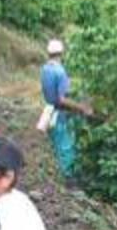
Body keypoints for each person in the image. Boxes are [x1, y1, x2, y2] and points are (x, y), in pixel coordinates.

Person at [40, 38, 93, 180]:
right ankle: (67, 179)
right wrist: (81, 108)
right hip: (60, 114)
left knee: (56, 144)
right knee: (66, 148)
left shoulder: (45, 69)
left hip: (49, 110)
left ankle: (58, 176)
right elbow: (61, 99)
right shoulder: (60, 72)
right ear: (62, 53)